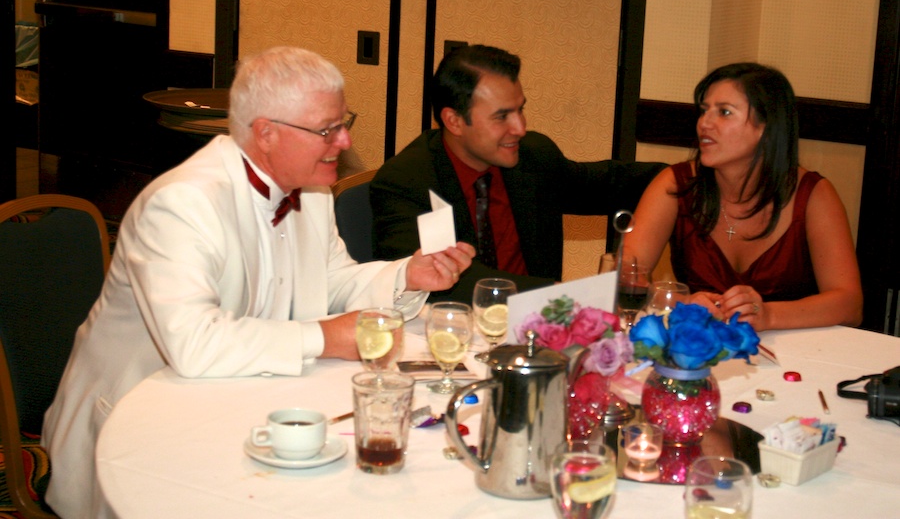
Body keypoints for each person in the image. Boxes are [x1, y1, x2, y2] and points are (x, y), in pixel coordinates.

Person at [41, 46, 475, 518]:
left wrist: (404, 275)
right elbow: (193, 343)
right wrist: (326, 337)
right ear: (266, 134)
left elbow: (333, 281)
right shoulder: (183, 203)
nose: (345, 141)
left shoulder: (311, 193)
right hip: (137, 429)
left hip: (238, 401)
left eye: (343, 121)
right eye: (327, 129)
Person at [370, 44, 665, 302]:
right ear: (455, 121)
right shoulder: (408, 181)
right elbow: (439, 283)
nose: (520, 128)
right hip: (452, 333)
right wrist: (560, 295)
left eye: (520, 110)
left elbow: (606, 184)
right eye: (502, 117)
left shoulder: (532, 156)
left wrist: (686, 176)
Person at [623, 62, 862, 331]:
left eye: (724, 112)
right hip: (698, 349)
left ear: (766, 127)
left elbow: (850, 305)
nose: (705, 123)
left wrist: (768, 315)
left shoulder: (814, 195)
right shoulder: (676, 184)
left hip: (794, 355)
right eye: (704, 111)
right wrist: (680, 301)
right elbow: (623, 278)